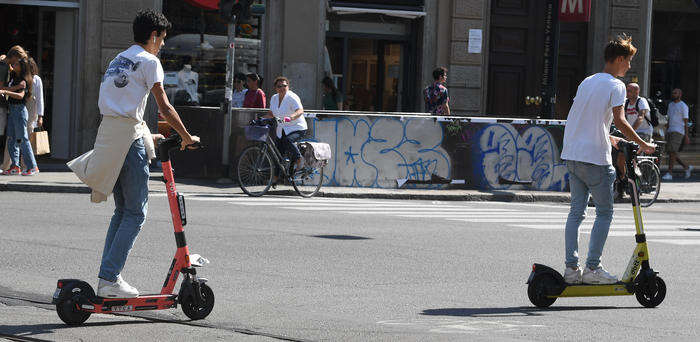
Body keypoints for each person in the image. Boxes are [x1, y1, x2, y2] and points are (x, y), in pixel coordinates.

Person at [67, 9, 199, 298]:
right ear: (153, 36)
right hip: (128, 142)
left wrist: (146, 132)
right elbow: (164, 106)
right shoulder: (149, 61)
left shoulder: (118, 59)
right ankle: (110, 278)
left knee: (122, 211)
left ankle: (107, 277)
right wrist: (187, 137)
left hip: (110, 137)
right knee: (136, 213)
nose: (162, 45)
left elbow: (119, 107)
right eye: (162, 39)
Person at [560, 34, 655, 285]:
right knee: (604, 212)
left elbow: (585, 117)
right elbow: (621, 120)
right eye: (629, 61)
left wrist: (608, 137)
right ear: (620, 59)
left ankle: (571, 270)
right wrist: (643, 143)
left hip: (572, 154)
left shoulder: (587, 81)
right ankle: (593, 269)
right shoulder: (616, 85)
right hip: (594, 158)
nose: (629, 67)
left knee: (575, 213)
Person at [0, 53, 39, 176]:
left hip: (20, 110)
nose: (13, 64)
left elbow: (21, 95)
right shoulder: (14, 77)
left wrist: (5, 91)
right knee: (11, 139)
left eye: (16, 64)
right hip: (12, 110)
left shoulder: (23, 80)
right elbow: (8, 66)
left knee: (22, 139)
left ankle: (32, 166)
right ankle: (15, 166)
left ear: (21, 67)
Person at [265, 76, 307, 173]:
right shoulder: (274, 98)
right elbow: (271, 114)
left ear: (288, 86)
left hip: (297, 127)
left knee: (287, 140)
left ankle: (299, 160)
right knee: (277, 152)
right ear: (275, 88)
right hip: (282, 129)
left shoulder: (292, 97)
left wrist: (290, 118)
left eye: (284, 85)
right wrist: (259, 119)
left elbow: (300, 111)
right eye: (279, 86)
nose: (282, 88)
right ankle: (275, 178)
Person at [662, 88, 693, 180]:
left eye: (675, 93)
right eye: (673, 93)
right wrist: (665, 130)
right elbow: (669, 119)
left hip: (678, 131)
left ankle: (670, 173)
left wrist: (686, 135)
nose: (673, 94)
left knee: (672, 152)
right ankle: (686, 167)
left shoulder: (683, 106)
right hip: (670, 131)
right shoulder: (670, 105)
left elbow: (686, 121)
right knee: (672, 153)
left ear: (680, 94)